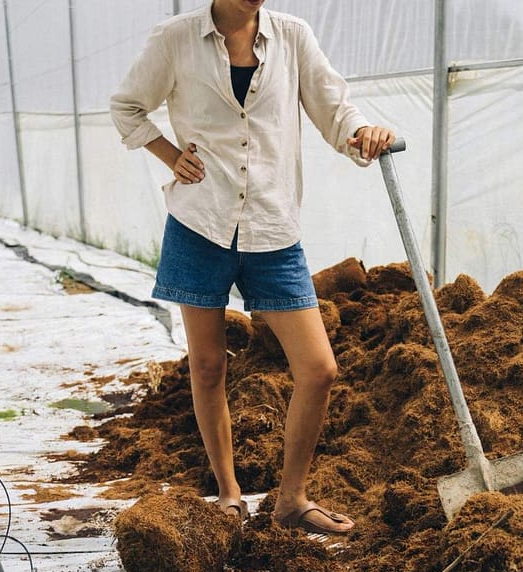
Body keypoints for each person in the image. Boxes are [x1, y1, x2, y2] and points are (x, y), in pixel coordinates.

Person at [110, 0, 394, 534]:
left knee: (318, 369)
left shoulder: (292, 36)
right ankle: (228, 493)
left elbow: (336, 110)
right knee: (208, 366)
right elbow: (127, 106)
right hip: (200, 224)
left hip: (271, 226)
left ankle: (291, 500)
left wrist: (363, 133)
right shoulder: (175, 39)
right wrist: (171, 156)